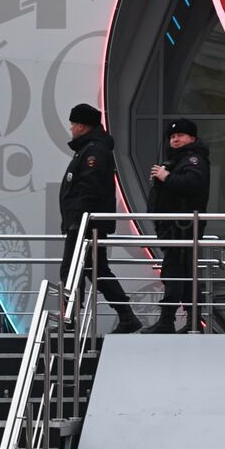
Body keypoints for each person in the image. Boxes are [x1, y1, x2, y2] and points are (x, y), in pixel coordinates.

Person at [60, 103, 141, 334]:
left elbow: (90, 186)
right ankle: (124, 315)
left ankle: (72, 318)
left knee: (74, 269)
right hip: (85, 223)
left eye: (73, 124)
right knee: (94, 270)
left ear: (83, 126)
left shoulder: (94, 151)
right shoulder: (90, 148)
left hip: (86, 225)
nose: (71, 129)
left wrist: (78, 220)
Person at [143, 118, 211, 333]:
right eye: (172, 136)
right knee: (183, 275)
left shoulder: (193, 160)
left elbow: (192, 184)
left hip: (183, 229)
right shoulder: (177, 160)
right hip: (173, 229)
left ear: (192, 138)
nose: (175, 139)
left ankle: (167, 321)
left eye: (180, 135)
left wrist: (166, 177)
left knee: (174, 274)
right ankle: (192, 322)